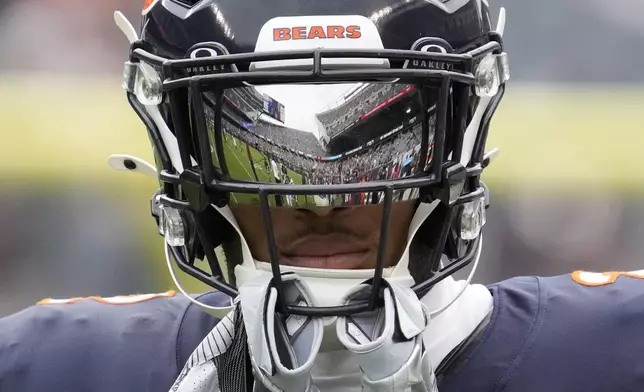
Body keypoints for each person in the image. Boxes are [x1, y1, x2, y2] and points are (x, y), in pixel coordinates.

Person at [2, 0, 644, 391]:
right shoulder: (57, 365)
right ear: (191, 163)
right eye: (272, 157)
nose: (321, 203)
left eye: (372, 156)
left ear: (452, 147)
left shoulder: (613, 348)